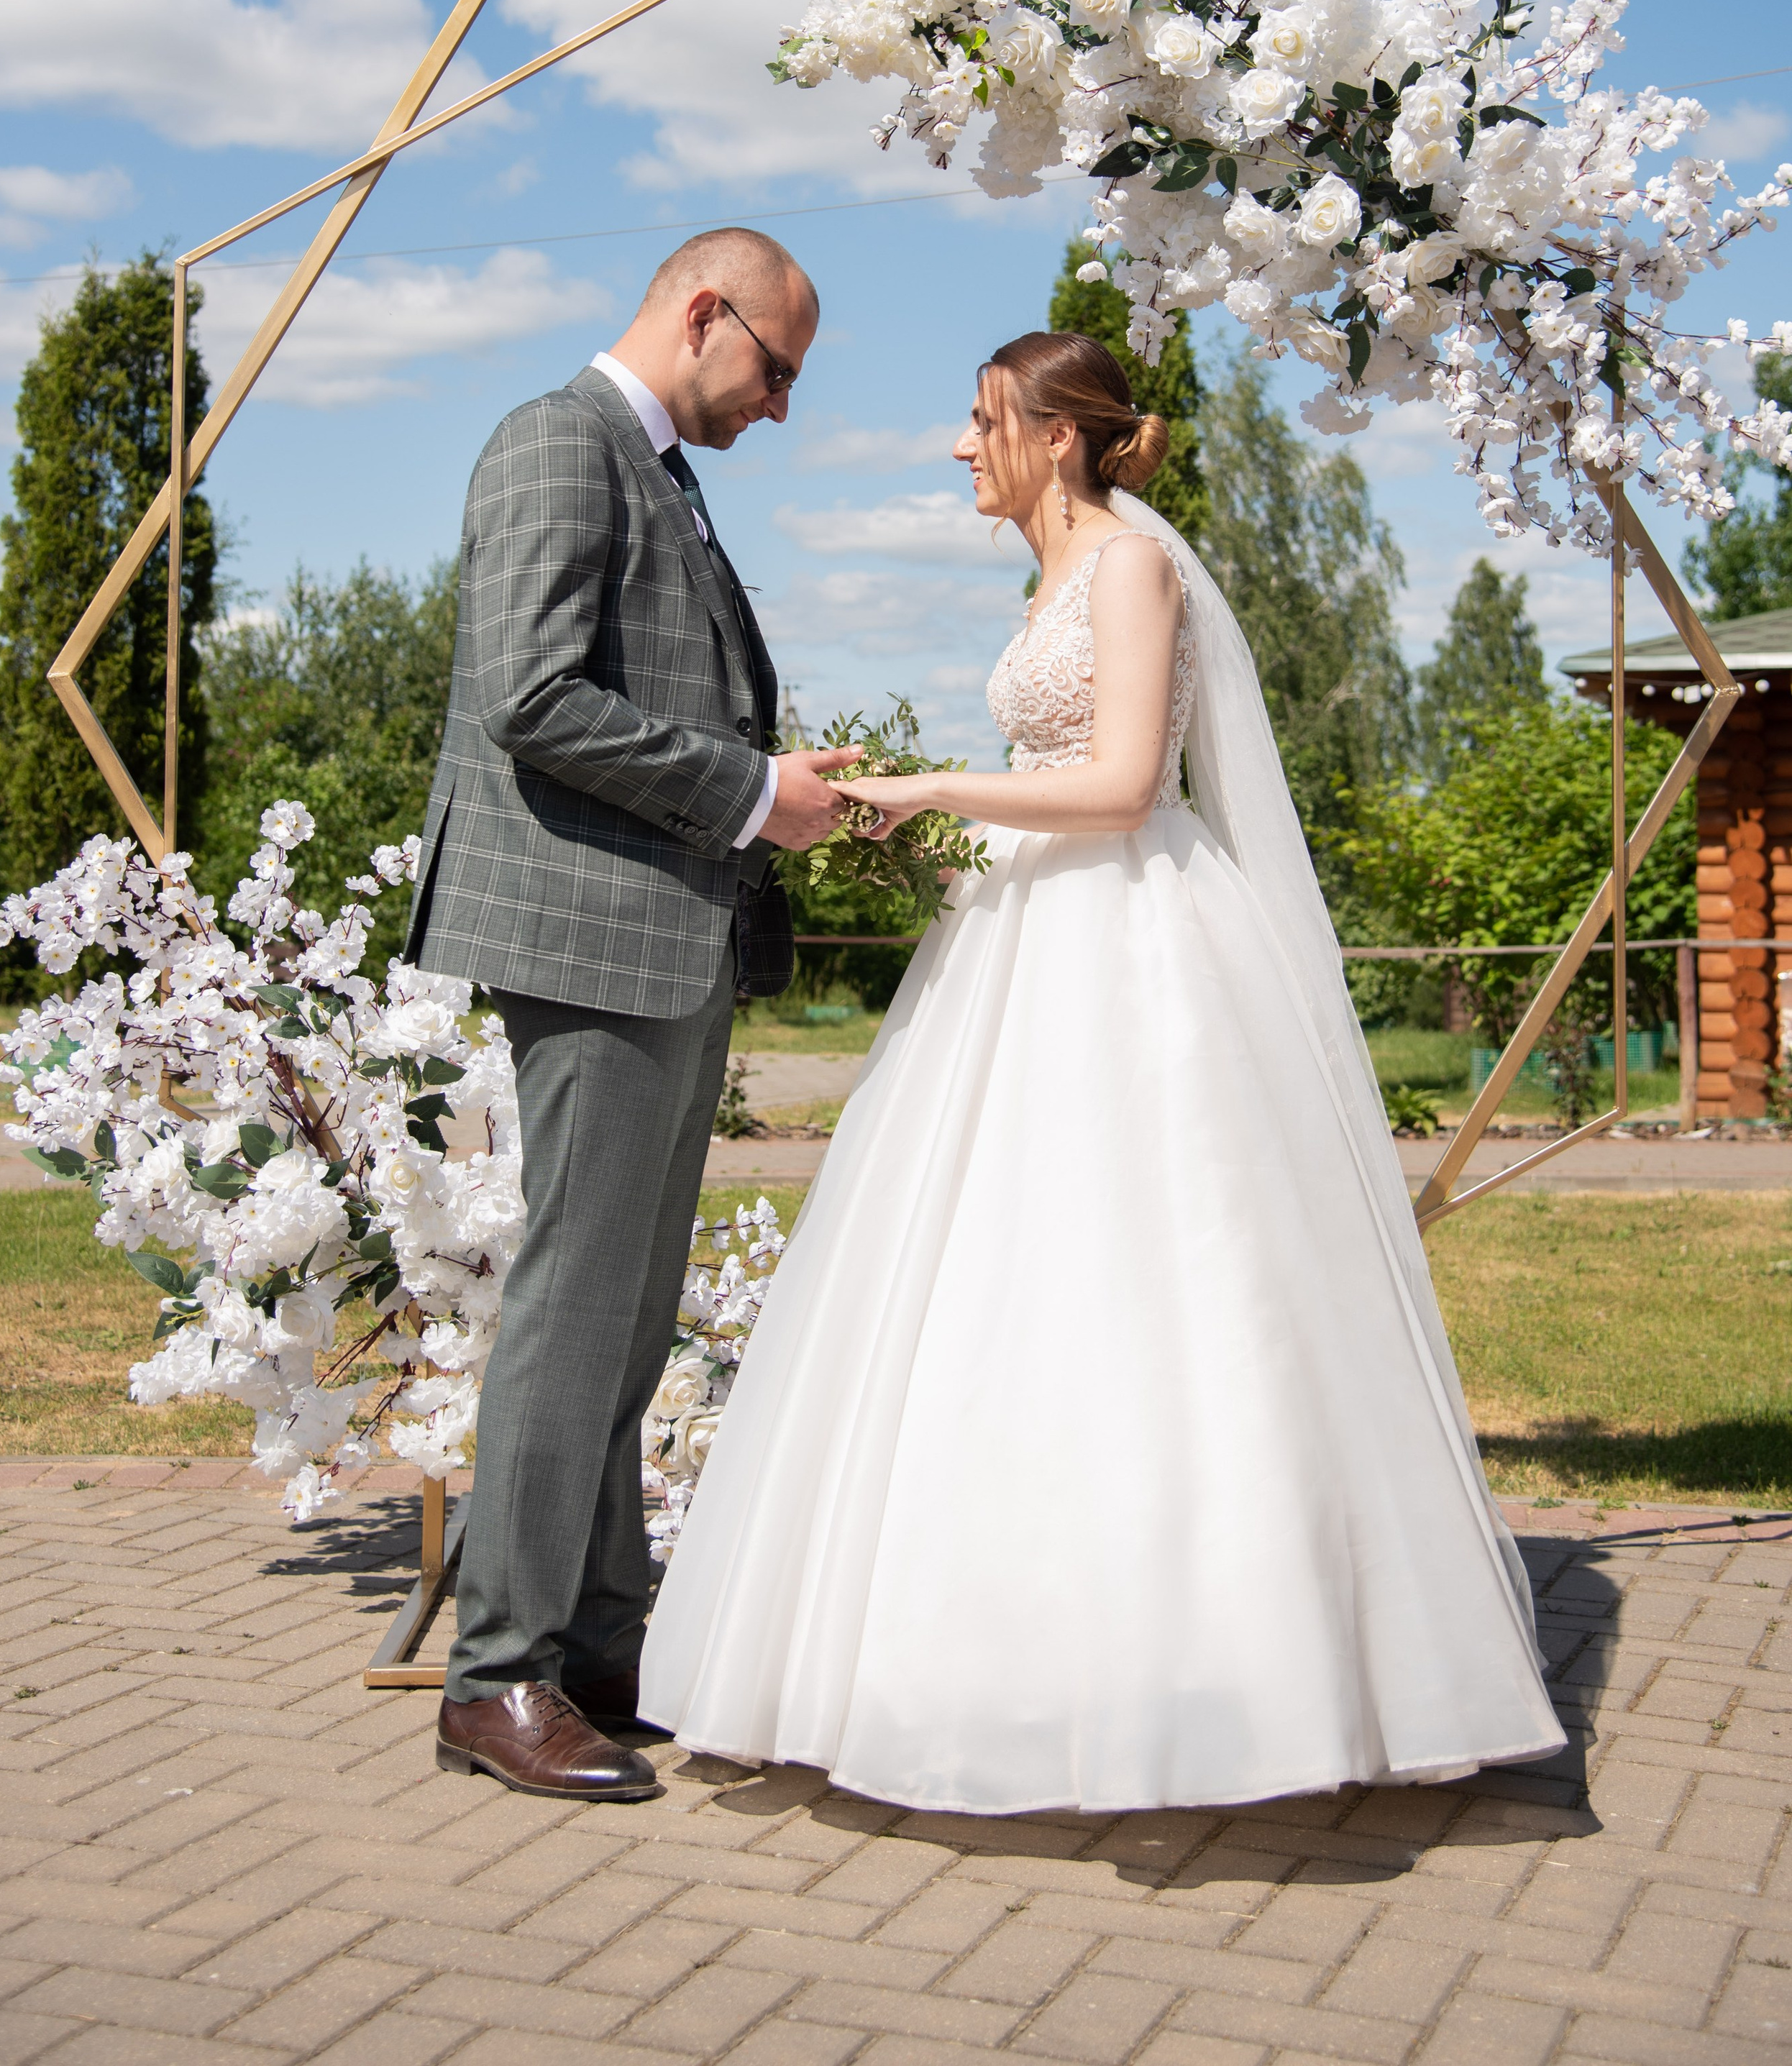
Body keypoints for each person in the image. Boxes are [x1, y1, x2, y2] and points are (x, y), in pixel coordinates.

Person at [639, 329, 1564, 1813]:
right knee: (995, 1284)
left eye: (979, 415)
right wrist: (939, 818)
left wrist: (932, 786)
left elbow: (1127, 783)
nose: (961, 444)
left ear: (1054, 437)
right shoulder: (1053, 573)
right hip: (1022, 938)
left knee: (1152, 1280)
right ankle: (993, 1650)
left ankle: (1217, 1665)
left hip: (1127, 942)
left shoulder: (1131, 565)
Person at [404, 227, 857, 1803]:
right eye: (777, 368)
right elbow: (529, 694)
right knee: (574, 1313)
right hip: (589, 948)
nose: (783, 406)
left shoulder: (659, 467)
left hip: (662, 946)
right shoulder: (558, 438)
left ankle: (597, 1641)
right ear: (703, 309)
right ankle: (499, 1674)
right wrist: (752, 792)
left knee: (627, 1318)